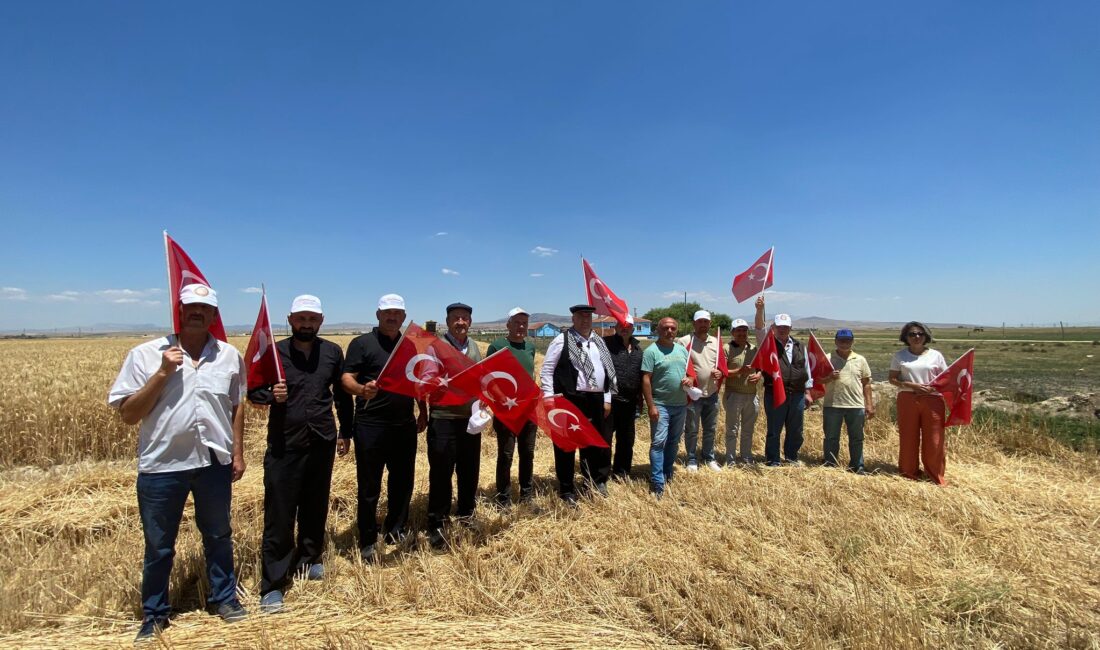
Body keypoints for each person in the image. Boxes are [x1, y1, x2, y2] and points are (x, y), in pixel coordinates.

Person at [107, 284, 248, 642]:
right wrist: (161, 373)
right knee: (159, 545)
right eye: (191, 307)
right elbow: (128, 414)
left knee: (218, 535)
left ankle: (224, 598)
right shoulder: (145, 354)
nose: (198, 313)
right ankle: (154, 614)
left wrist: (237, 451)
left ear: (215, 316)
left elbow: (236, 405)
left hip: (213, 462)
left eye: (206, 308)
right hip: (162, 467)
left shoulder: (230, 356)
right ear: (179, 311)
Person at [247, 295, 353, 614]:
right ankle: (273, 585)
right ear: (290, 319)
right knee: (279, 512)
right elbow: (252, 389)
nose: (306, 324)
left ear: (320, 321)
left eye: (313, 319)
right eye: (301, 318)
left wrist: (346, 432)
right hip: (284, 442)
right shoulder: (274, 353)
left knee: (315, 503)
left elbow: (342, 397)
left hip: (322, 437)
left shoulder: (332, 353)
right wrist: (269, 395)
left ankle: (309, 559)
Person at [340, 294, 428, 563]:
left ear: (403, 317)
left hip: (403, 425)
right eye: (387, 313)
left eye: (397, 313)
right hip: (370, 425)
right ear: (378, 315)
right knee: (369, 485)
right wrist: (361, 390)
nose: (392, 317)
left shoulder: (410, 347)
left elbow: (418, 382)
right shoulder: (361, 344)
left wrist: (423, 411)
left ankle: (395, 530)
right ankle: (367, 538)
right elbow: (346, 379)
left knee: (402, 482)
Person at [538, 304, 617, 505]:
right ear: (573, 319)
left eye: (588, 317)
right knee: (566, 445)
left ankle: (593, 482)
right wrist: (548, 399)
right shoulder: (561, 340)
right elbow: (547, 370)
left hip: (596, 400)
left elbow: (606, 372)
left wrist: (607, 399)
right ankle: (566, 490)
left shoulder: (598, 341)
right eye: (580, 317)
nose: (585, 320)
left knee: (593, 443)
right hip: (569, 400)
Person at [425, 302, 484, 549]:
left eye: (465, 318)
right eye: (456, 318)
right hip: (443, 419)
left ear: (470, 322)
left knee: (469, 470)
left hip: (470, 420)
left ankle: (466, 514)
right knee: (441, 472)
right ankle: (437, 523)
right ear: (447, 321)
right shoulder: (435, 347)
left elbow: (481, 379)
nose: (460, 322)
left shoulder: (474, 348)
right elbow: (425, 379)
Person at [486, 307, 538, 507]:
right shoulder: (497, 346)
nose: (521, 326)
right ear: (508, 325)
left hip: (528, 410)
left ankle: (526, 496)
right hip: (506, 410)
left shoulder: (530, 347)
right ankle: (504, 499)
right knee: (506, 455)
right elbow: (489, 378)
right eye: (516, 322)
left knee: (528, 453)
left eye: (524, 323)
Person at [754, 296, 814, 466]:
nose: (782, 330)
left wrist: (808, 392)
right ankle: (773, 460)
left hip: (797, 394)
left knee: (796, 429)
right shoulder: (767, 343)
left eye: (785, 327)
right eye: (779, 327)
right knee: (774, 429)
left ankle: (791, 457)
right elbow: (759, 329)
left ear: (790, 328)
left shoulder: (799, 346)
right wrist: (759, 310)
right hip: (775, 392)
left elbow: (806, 369)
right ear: (773, 328)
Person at [888, 321, 948, 485]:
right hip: (908, 399)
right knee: (908, 437)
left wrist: (933, 387)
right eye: (912, 334)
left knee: (934, 439)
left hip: (933, 399)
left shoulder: (936, 356)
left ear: (926, 336)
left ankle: (935, 475)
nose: (916, 337)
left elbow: (946, 378)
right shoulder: (899, 356)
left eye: (920, 334)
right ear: (905, 337)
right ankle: (909, 473)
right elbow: (892, 379)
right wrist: (910, 385)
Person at [641, 317, 693, 497]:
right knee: (658, 443)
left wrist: (690, 379)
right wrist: (651, 405)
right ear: (658, 330)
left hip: (680, 405)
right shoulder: (651, 352)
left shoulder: (682, 350)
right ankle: (657, 483)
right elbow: (646, 379)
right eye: (665, 328)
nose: (669, 331)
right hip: (660, 405)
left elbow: (690, 374)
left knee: (673, 442)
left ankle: (667, 474)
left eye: (672, 328)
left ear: (676, 330)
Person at [818, 328, 874, 473]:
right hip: (833, 404)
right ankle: (830, 463)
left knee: (857, 438)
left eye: (847, 340)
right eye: (841, 340)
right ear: (836, 341)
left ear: (852, 341)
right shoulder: (827, 358)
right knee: (831, 437)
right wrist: (829, 377)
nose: (844, 343)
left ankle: (857, 465)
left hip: (856, 405)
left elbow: (866, 383)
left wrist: (869, 404)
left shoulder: (860, 360)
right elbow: (818, 380)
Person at [678, 310, 727, 471]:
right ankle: (691, 459)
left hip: (711, 393)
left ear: (710, 324)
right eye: (700, 321)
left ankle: (708, 457)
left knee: (710, 429)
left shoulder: (715, 342)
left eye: (706, 322)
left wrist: (720, 372)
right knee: (691, 429)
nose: (703, 324)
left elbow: (721, 366)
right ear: (694, 323)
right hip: (693, 395)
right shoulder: (684, 341)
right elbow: (679, 365)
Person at [603, 315, 643, 480]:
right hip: (609, 401)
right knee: (605, 440)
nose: (624, 328)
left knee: (626, 440)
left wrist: (640, 398)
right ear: (615, 326)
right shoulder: (605, 345)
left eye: (628, 325)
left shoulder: (639, 350)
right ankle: (602, 474)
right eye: (621, 324)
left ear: (633, 328)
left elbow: (641, 375)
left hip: (629, 402)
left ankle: (621, 472)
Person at [721, 318, 761, 465]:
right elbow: (722, 372)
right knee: (732, 429)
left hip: (751, 395)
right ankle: (730, 459)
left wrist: (758, 375)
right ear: (732, 332)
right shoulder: (726, 348)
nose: (742, 333)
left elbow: (760, 368)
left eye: (744, 330)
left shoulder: (753, 348)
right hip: (734, 394)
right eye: (738, 330)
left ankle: (746, 457)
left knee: (748, 429)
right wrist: (738, 371)